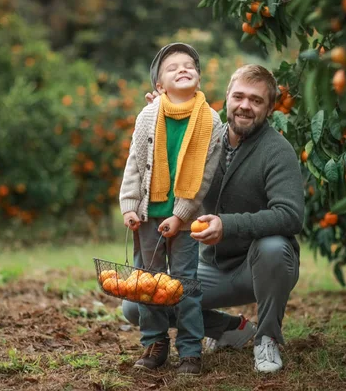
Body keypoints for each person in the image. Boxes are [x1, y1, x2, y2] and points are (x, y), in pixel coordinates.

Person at [122, 64, 304, 373]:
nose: (245, 105)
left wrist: (228, 225)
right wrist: (160, 119)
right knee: (135, 306)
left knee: (274, 247)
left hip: (257, 266)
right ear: (227, 97)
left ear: (270, 107)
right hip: (210, 267)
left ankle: (267, 339)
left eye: (256, 100)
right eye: (239, 96)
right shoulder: (204, 135)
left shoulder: (277, 151)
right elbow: (165, 156)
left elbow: (290, 216)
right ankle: (230, 328)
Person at [119, 42, 224, 376]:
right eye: (173, 66)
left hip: (186, 216)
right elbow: (134, 164)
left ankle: (191, 351)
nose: (183, 68)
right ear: (159, 86)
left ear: (198, 75)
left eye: (189, 64)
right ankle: (154, 341)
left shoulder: (211, 120)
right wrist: (130, 205)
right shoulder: (149, 115)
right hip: (149, 215)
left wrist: (180, 216)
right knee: (148, 282)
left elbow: (204, 176)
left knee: (185, 284)